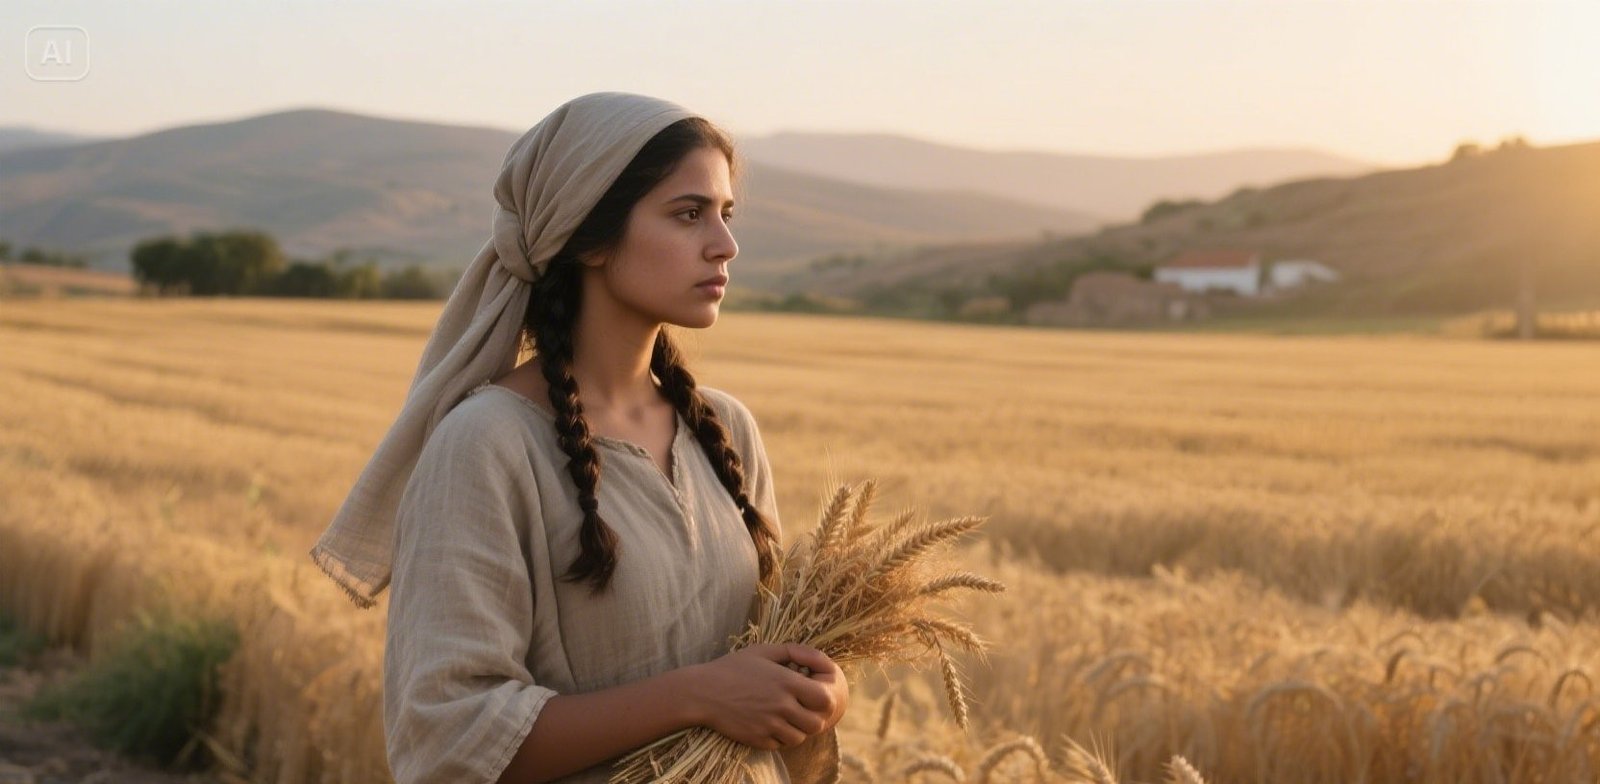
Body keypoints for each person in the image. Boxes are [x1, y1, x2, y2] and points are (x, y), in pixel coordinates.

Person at [309, 92, 847, 784]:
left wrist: (819, 693)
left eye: (727, 213)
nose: (726, 244)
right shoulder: (487, 444)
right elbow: (449, 736)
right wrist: (697, 695)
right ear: (588, 236)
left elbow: (767, 664)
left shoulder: (727, 429)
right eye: (689, 214)